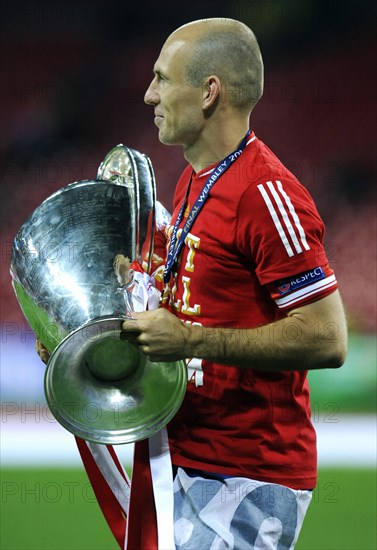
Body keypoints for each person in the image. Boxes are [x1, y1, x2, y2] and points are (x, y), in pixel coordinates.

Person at [120, 17, 348, 550]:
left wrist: (193, 341)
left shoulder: (266, 194)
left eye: (162, 78)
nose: (149, 93)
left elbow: (327, 338)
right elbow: (195, 300)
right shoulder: (194, 177)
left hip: (247, 474)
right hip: (188, 453)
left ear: (208, 93)